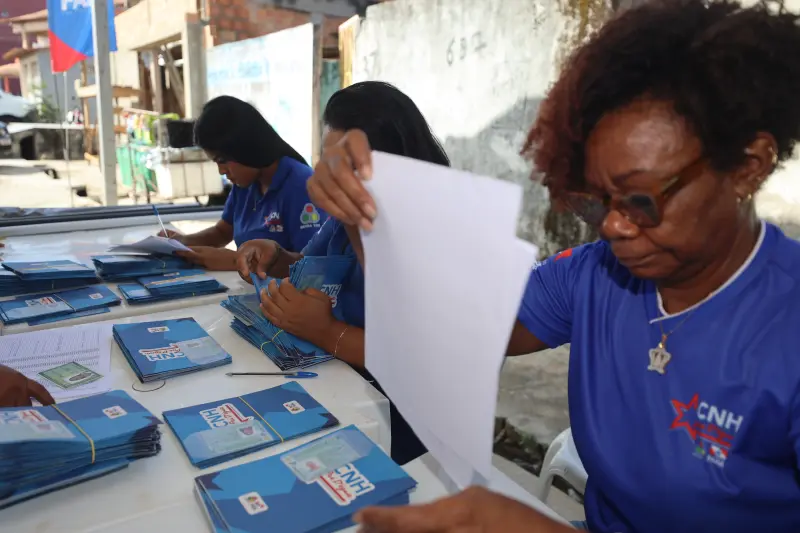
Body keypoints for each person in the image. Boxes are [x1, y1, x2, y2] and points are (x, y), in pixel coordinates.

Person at [300, 1, 800, 531]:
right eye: (594, 202)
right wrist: (364, 208)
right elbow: (442, 331)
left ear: (748, 167)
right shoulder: (592, 276)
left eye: (640, 199)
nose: (612, 226)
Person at [236, 81, 450, 465]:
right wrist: (279, 257)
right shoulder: (345, 217)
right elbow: (317, 264)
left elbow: (417, 358)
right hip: (343, 380)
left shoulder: (432, 235)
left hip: (405, 420)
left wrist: (325, 331)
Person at [158, 96, 326, 270]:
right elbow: (222, 233)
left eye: (222, 161)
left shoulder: (301, 186)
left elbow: (312, 265)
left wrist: (235, 260)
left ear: (244, 148)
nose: (221, 171)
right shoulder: (245, 184)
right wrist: (182, 242)